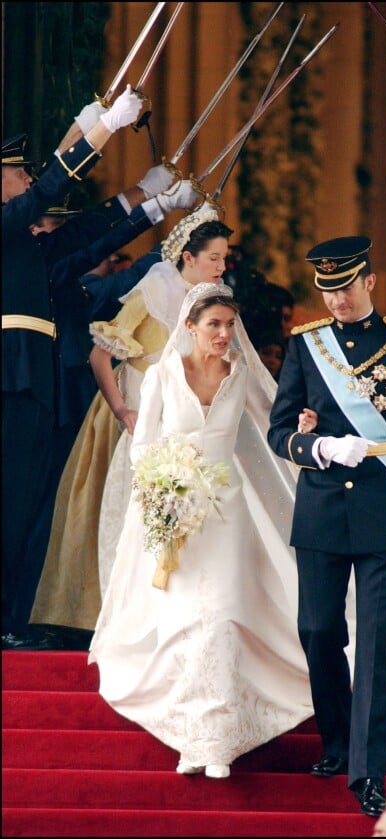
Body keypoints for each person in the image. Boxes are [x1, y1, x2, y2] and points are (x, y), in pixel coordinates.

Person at [88, 282, 313, 778]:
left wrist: (305, 426)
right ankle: (193, 737)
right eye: (214, 325)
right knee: (187, 620)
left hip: (227, 508)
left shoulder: (241, 373)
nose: (224, 334)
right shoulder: (164, 375)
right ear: (189, 327)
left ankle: (221, 739)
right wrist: (163, 492)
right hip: (175, 506)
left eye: (230, 325)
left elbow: (273, 424)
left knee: (225, 614)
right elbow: (143, 444)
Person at [267, 237, 386, 817]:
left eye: (345, 286)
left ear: (370, 281)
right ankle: (338, 742)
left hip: (383, 511)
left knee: (373, 645)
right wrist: (317, 445)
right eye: (327, 289)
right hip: (320, 505)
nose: (337, 299)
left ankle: (368, 773)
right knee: (318, 630)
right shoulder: (306, 345)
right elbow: (278, 432)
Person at [31, 204, 235, 633]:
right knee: (128, 506)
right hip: (136, 405)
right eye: (214, 257)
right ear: (188, 258)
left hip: (184, 416)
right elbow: (100, 354)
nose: (222, 266)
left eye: (224, 258)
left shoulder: (215, 302)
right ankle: (115, 613)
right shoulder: (156, 286)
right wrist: (121, 409)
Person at [2, 85, 145, 649]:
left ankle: (12, 617)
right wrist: (101, 130)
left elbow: (81, 236)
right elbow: (45, 197)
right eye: (18, 175)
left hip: (32, 379)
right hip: (11, 377)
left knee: (26, 502)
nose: (28, 183)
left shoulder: (24, 238)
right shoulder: (8, 225)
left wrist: (146, 201)